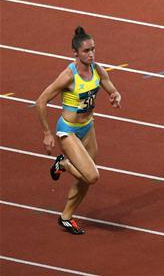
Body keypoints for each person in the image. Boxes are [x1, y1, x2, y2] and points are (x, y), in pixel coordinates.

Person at [34, 27, 122, 235]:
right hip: (68, 131)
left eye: (93, 49)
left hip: (87, 127)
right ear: (75, 52)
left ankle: (66, 217)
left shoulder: (97, 70)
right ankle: (63, 163)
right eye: (86, 51)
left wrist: (116, 95)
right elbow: (41, 101)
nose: (91, 54)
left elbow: (110, 86)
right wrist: (47, 133)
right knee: (91, 176)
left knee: (84, 179)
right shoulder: (68, 76)